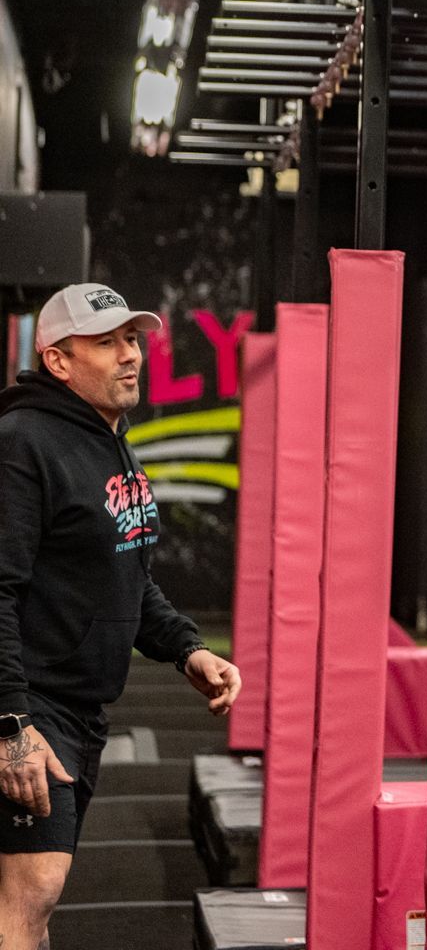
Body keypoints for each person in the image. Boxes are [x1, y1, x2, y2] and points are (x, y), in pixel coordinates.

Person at [0, 283, 241, 944]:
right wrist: (12, 724)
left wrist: (186, 648)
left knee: (27, 898)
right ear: (58, 360)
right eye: (105, 343)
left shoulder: (110, 441)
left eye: (131, 338)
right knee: (35, 887)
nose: (128, 355)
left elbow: (126, 577)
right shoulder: (23, 443)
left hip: (81, 710)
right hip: (32, 702)